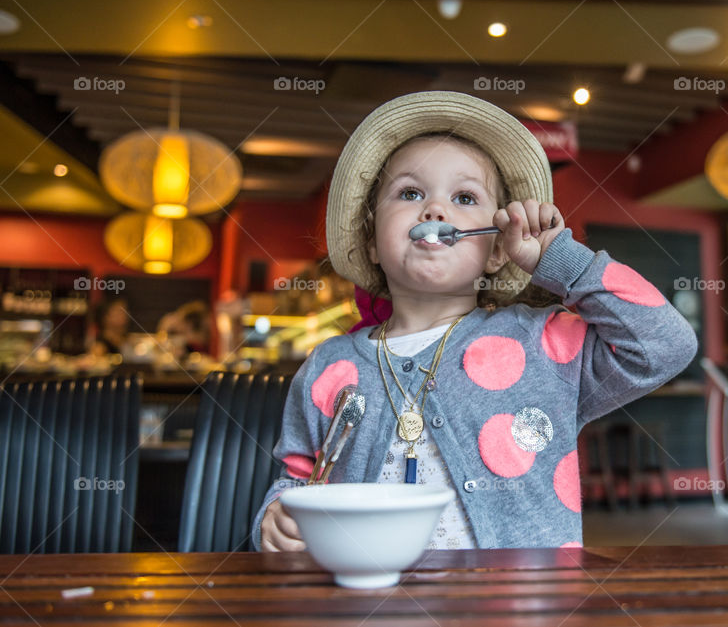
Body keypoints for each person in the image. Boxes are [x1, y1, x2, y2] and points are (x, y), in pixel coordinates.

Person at [254, 91, 698, 552]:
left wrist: (560, 260)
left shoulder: (542, 343)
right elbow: (299, 477)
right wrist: (277, 516)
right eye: (410, 193)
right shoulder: (329, 364)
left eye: (464, 197)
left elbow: (664, 346)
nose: (435, 210)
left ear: (497, 249)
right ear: (371, 242)